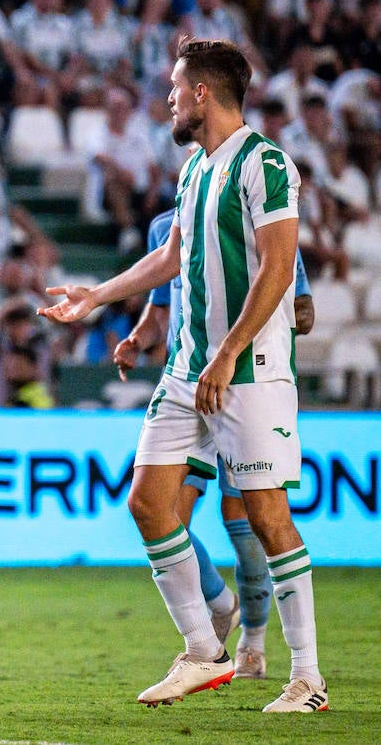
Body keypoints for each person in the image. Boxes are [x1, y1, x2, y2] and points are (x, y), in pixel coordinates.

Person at [40, 38, 326, 713]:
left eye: (174, 87)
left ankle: (307, 678)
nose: (166, 98)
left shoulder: (266, 164)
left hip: (248, 369)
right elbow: (169, 257)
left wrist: (228, 353)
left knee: (266, 515)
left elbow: (280, 271)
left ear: (203, 92)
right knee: (145, 502)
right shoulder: (194, 168)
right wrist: (97, 297)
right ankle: (204, 650)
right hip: (185, 369)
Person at [114, 208, 317, 682]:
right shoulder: (166, 224)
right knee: (162, 511)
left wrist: (263, 327)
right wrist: (140, 337)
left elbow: (300, 304)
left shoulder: (257, 216)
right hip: (188, 381)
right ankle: (220, 605)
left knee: (247, 517)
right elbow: (163, 301)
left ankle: (255, 641)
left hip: (243, 381)